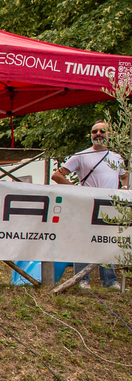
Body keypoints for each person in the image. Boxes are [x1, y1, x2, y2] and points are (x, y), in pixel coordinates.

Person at [52, 121, 127, 289]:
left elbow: (124, 176)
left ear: (110, 135)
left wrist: (124, 189)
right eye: (94, 131)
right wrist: (77, 190)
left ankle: (109, 281)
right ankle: (82, 280)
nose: (98, 133)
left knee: (107, 241)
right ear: (91, 135)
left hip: (109, 206)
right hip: (87, 205)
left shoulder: (116, 157)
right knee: (84, 240)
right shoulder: (81, 155)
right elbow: (57, 175)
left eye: (102, 131)